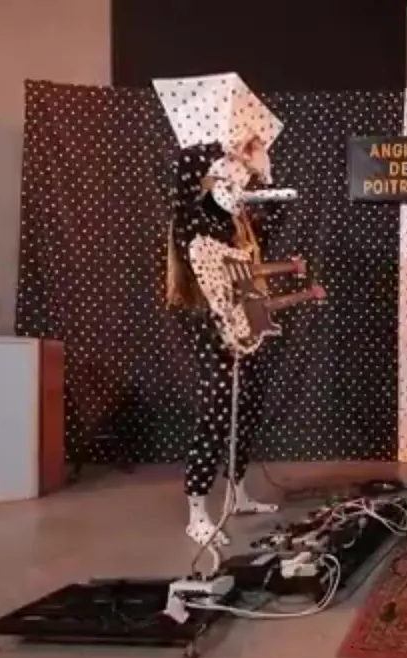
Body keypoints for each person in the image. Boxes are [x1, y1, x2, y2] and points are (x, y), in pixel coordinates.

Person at [154, 74, 286, 545]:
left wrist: (262, 173)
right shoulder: (194, 209)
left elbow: (268, 225)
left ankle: (238, 490)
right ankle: (197, 509)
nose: (237, 181)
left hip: (244, 312)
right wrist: (226, 151)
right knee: (216, 405)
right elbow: (193, 184)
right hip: (209, 318)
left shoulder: (238, 216)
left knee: (246, 402)